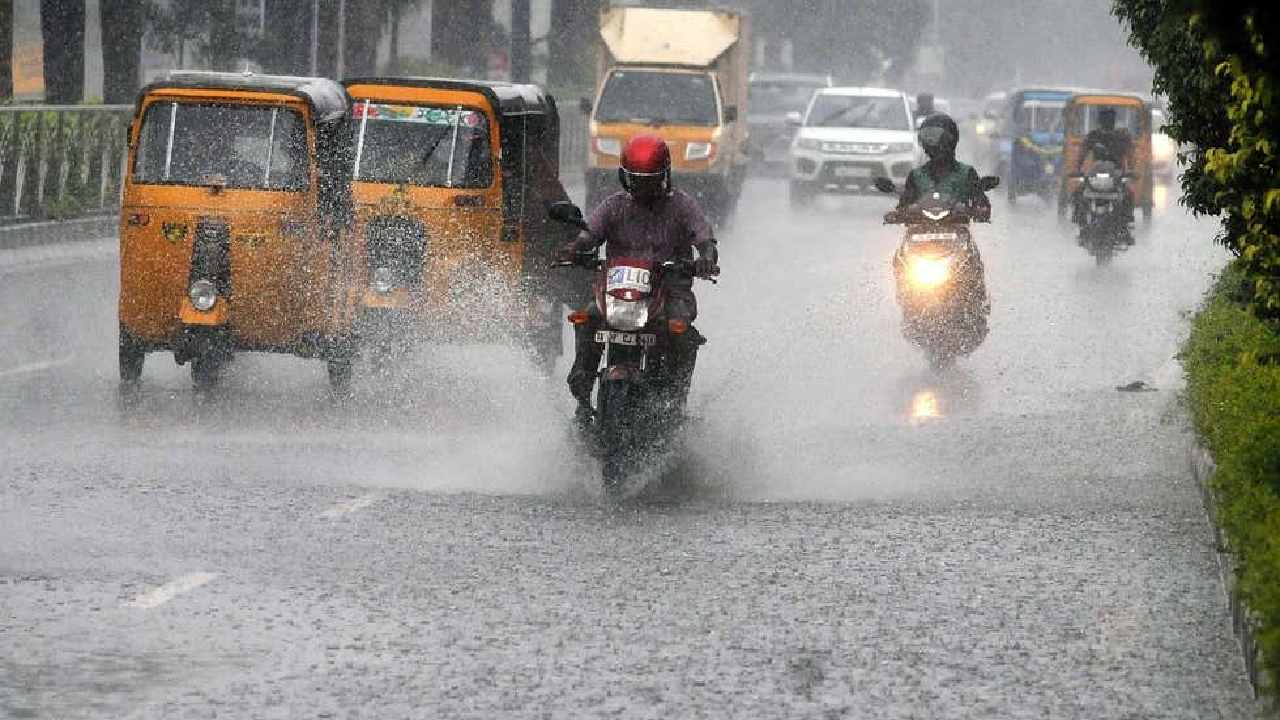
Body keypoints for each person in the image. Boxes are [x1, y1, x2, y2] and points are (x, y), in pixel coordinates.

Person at [559, 134, 719, 427]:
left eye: (651, 180)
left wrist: (706, 255)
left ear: (665, 176)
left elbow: (703, 235)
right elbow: (589, 234)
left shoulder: (682, 206)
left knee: (681, 330)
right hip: (616, 293)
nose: (644, 187)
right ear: (625, 177)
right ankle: (582, 391)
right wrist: (576, 248)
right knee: (587, 318)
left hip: (669, 290)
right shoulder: (613, 206)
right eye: (638, 180)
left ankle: (675, 402)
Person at [889, 113, 992, 221]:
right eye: (927, 137)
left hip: (958, 230)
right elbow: (904, 205)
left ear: (950, 140)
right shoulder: (916, 176)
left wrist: (979, 210)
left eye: (935, 137)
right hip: (919, 231)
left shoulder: (967, 174)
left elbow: (981, 204)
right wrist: (899, 213)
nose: (931, 143)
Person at [1071, 107, 1134, 226]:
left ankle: (1125, 223)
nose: (1107, 122)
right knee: (1079, 192)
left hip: (1116, 176)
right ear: (1100, 121)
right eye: (1105, 119)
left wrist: (1131, 170)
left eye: (1110, 120)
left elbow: (1130, 155)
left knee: (1128, 194)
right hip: (1095, 176)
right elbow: (1082, 153)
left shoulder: (1121, 136)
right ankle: (1080, 220)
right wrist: (1077, 169)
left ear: (1114, 121)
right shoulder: (1093, 136)